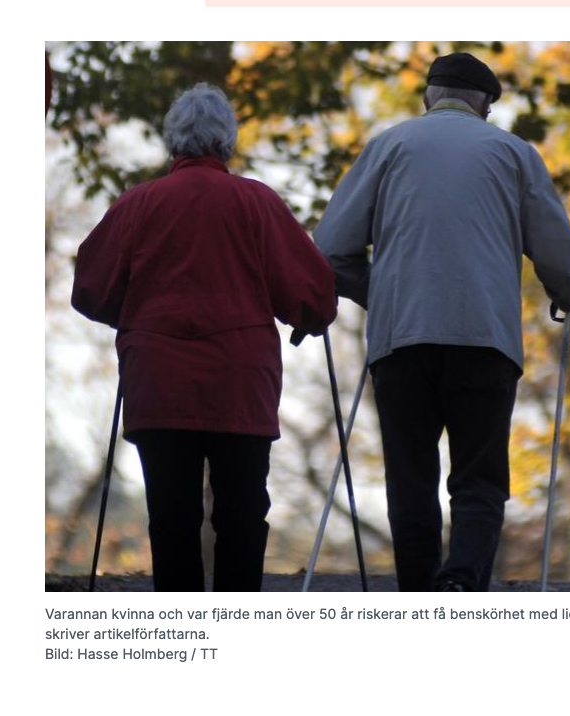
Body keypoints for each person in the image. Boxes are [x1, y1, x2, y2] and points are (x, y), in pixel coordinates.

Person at [315, 53, 570, 592]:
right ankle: (461, 585)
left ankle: (418, 593)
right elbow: (557, 251)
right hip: (484, 338)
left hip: (402, 342)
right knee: (479, 478)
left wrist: (386, 294)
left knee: (410, 476)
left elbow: (329, 251)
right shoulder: (513, 153)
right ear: (485, 104)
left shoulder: (389, 146)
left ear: (428, 97)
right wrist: (569, 291)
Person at [72, 83, 338, 592]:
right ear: (227, 142)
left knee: (171, 519)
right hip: (241, 384)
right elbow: (311, 295)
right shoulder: (256, 202)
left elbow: (90, 289)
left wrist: (134, 319)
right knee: (241, 518)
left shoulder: (138, 204)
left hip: (159, 383)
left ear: (172, 142)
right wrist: (313, 313)